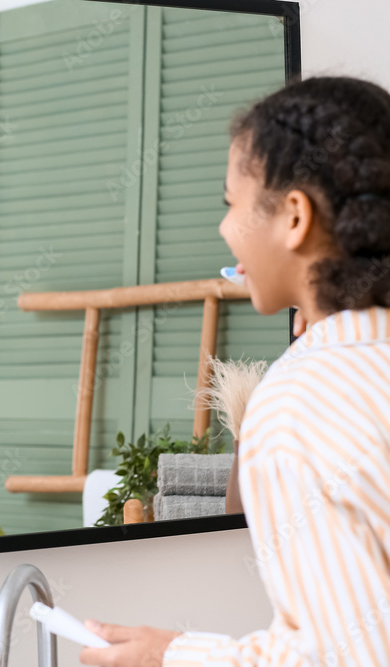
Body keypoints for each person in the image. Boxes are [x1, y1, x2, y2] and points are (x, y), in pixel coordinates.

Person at [81, 76, 390, 665]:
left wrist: (172, 655)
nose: (225, 230)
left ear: (293, 218)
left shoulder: (299, 403)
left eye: (232, 203)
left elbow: (353, 654)